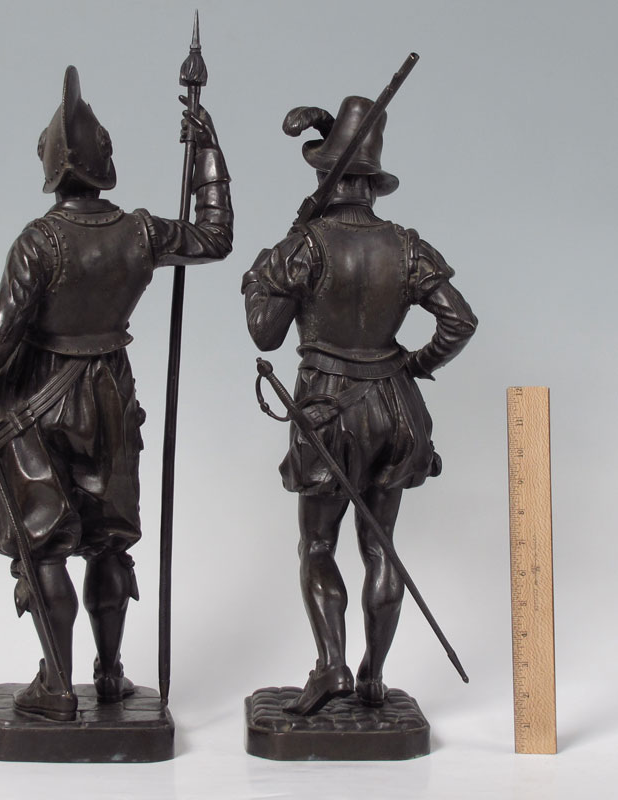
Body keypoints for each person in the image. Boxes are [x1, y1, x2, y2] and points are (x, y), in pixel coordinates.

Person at [0, 65, 232, 721]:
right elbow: (215, 237)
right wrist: (209, 154)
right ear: (105, 164)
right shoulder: (139, 232)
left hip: (38, 400)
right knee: (108, 539)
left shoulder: (39, 242)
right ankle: (108, 672)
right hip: (108, 397)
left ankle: (58, 685)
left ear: (50, 167)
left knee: (45, 542)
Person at [242, 96, 476, 715]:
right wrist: (411, 367)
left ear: (326, 175)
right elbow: (460, 321)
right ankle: (372, 677)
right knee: (381, 544)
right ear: (371, 182)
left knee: (318, 546)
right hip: (394, 407)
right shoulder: (406, 246)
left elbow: (265, 333)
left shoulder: (306, 245)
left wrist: (261, 279)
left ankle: (332, 666)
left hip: (328, 406)